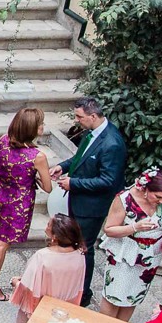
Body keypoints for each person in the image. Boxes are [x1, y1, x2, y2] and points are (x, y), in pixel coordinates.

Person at [53, 96, 129, 306]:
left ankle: (83, 293)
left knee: (84, 247)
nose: (77, 120)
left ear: (93, 116)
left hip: (92, 206)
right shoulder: (91, 133)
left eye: (80, 116)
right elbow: (81, 157)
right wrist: (63, 166)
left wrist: (74, 183)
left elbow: (108, 180)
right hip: (80, 201)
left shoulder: (112, 143)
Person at [0, 105, 52, 300]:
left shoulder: (3, 141)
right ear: (32, 129)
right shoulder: (38, 156)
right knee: (2, 243)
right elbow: (48, 187)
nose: (43, 126)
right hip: (18, 202)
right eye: (40, 124)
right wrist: (33, 178)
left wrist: (5, 173)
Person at [94, 168, 162, 322]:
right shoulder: (124, 199)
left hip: (151, 255)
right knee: (114, 294)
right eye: (158, 197)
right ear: (145, 189)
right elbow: (109, 229)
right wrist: (134, 228)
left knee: (133, 295)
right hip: (125, 253)